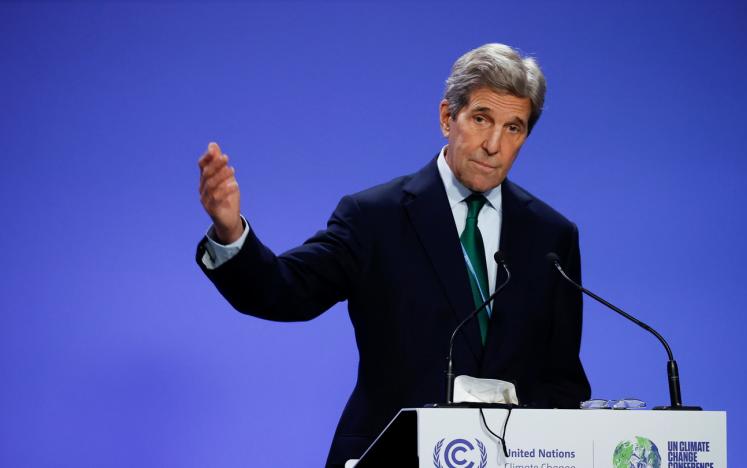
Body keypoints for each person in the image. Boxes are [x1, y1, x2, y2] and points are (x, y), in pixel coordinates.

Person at [196, 43, 590, 467]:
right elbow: (283, 290)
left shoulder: (551, 236)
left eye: (514, 128)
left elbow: (562, 377)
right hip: (392, 455)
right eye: (481, 119)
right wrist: (230, 230)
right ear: (446, 118)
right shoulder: (374, 217)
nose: (494, 144)